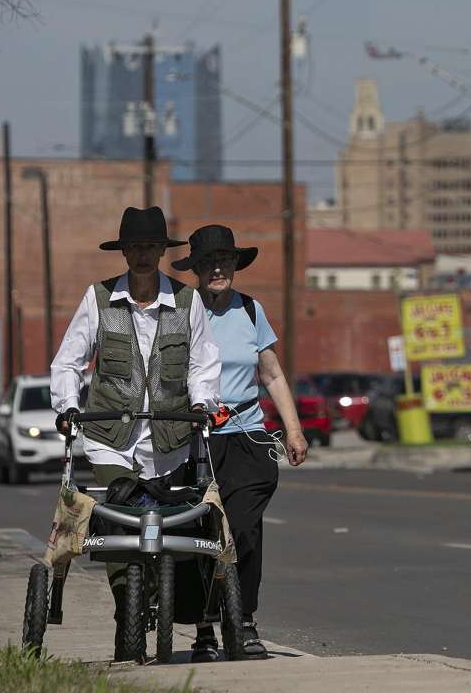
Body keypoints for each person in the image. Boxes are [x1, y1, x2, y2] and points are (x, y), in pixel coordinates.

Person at [50, 206, 221, 661]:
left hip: (168, 439)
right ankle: (127, 608)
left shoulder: (188, 302)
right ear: (123, 251)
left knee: (163, 526)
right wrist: (67, 406)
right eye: (135, 247)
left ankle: (152, 597)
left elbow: (203, 364)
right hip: (109, 436)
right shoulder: (99, 298)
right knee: (118, 520)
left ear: (162, 252)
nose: (143, 254)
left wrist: (203, 403)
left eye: (151, 246)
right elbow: (67, 361)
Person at [171, 224, 308, 661]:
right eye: (209, 262)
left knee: (244, 529)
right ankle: (204, 630)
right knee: (198, 534)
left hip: (246, 434)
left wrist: (294, 429)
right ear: (194, 268)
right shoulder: (181, 309)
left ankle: (244, 620)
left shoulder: (250, 310)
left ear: (235, 265)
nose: (218, 268)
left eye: (225, 261)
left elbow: (272, 374)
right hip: (196, 439)